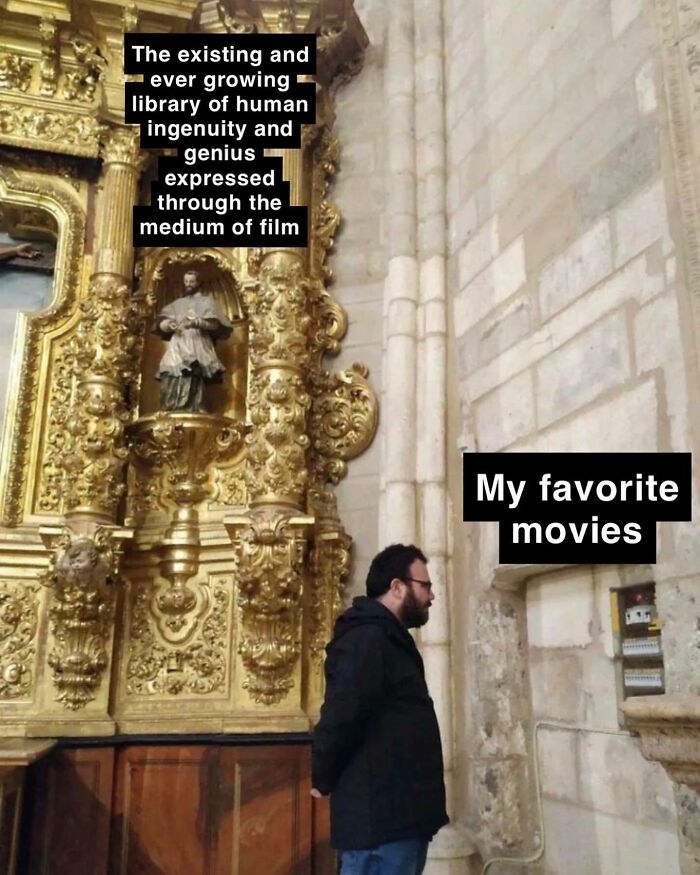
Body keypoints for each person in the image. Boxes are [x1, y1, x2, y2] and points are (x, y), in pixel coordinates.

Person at [312, 543, 449, 875]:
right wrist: (323, 774)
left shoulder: (386, 637)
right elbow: (342, 711)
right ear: (397, 587)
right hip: (380, 823)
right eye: (425, 585)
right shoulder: (367, 637)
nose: (432, 595)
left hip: (399, 818)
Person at [154, 269, 232, 412]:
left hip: (197, 341)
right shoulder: (177, 304)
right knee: (171, 372)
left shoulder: (207, 302)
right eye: (186, 281)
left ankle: (193, 406)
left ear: (198, 283)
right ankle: (171, 406)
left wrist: (196, 323)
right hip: (178, 342)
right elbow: (160, 322)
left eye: (192, 281)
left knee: (193, 373)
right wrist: (169, 325)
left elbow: (214, 324)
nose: (188, 284)